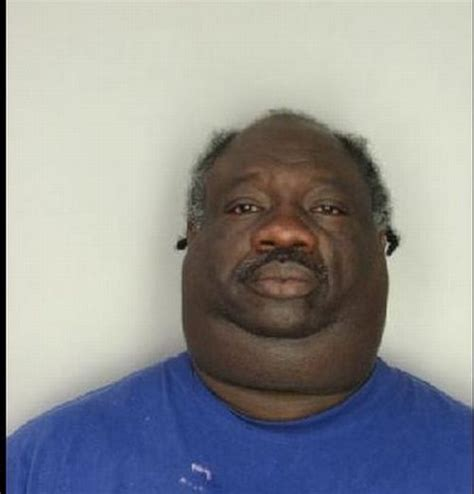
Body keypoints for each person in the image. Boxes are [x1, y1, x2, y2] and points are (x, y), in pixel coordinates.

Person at [7, 110, 471, 493]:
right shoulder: (44, 464)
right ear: (194, 237)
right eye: (245, 207)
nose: (284, 230)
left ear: (380, 242)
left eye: (327, 208)